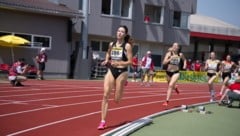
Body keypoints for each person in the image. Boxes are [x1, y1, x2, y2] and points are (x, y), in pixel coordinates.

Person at [97, 25, 133, 130]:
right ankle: (102, 121)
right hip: (111, 71)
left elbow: (130, 62)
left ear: (125, 34)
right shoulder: (111, 44)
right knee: (105, 95)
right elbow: (108, 54)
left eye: (122, 32)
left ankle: (123, 82)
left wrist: (120, 63)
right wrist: (106, 60)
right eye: (118, 31)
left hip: (122, 71)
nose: (119, 33)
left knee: (117, 100)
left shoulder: (127, 46)